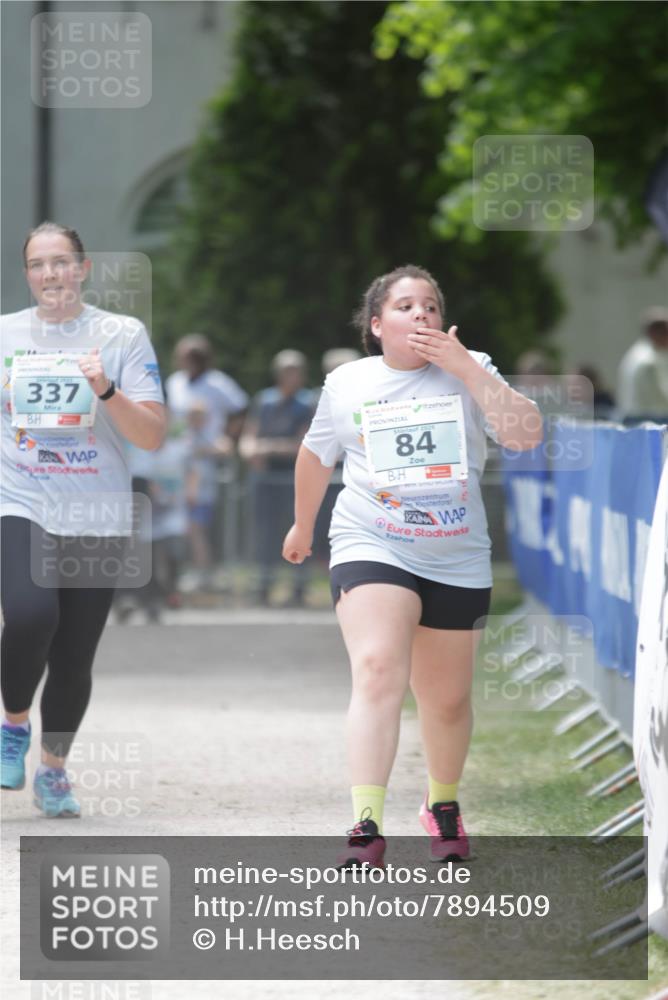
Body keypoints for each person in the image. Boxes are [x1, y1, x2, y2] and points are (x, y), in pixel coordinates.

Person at [282, 264, 542, 866]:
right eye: (404, 307)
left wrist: (469, 371)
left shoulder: (471, 369)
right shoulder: (348, 381)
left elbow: (527, 435)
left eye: (429, 305)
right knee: (377, 668)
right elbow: (316, 455)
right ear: (377, 326)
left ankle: (441, 803)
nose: (420, 314)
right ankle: (366, 823)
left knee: (446, 699)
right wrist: (301, 525)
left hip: (455, 552)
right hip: (372, 539)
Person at [0, 221, 166, 816]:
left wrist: (104, 388)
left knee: (74, 654)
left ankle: (54, 771)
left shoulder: (121, 334)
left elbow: (151, 434)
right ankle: (13, 722)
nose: (51, 274)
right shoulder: (5, 336)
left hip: (97, 511)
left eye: (62, 262)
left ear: (84, 268)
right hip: (21, 500)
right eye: (38, 264)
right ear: (28, 274)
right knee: (28, 613)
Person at [241, 350, 313, 607]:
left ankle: (298, 587)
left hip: (294, 477)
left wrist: (267, 447)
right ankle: (262, 586)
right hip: (265, 476)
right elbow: (250, 436)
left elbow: (304, 443)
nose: (291, 377)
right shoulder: (265, 401)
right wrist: (250, 449)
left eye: (295, 371)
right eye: (286, 371)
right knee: (264, 531)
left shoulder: (308, 403)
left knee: (296, 528)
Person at [617, 307, 668, 424]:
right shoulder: (649, 361)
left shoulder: (637, 352)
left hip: (633, 419)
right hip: (646, 421)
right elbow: (660, 401)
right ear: (655, 333)